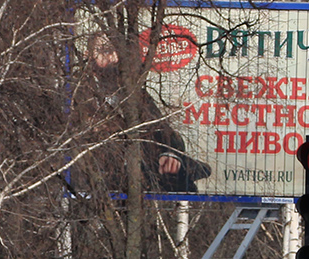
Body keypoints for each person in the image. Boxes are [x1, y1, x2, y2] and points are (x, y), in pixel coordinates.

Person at [71, 31, 211, 195]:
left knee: (185, 178)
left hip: (141, 176)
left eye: (117, 51)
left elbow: (163, 130)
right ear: (88, 55)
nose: (114, 58)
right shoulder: (78, 94)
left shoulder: (134, 94)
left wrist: (170, 155)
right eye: (106, 51)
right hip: (102, 181)